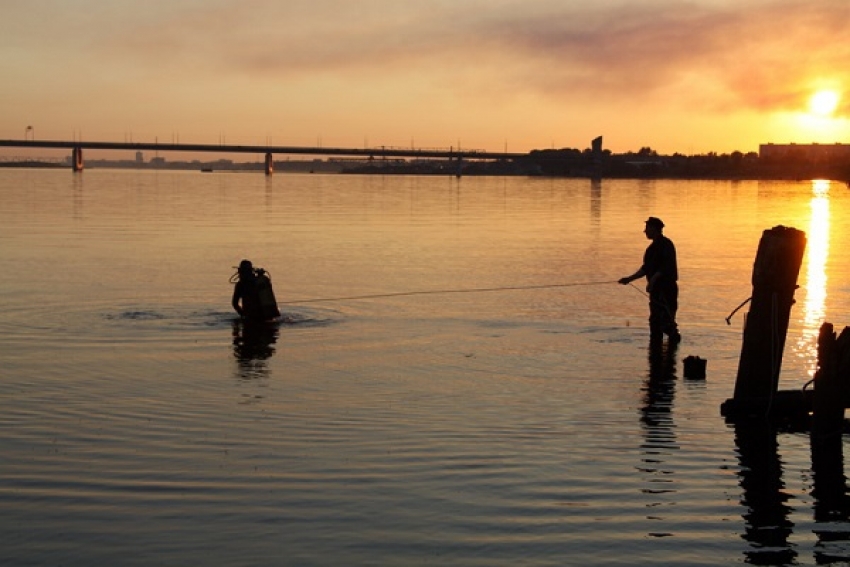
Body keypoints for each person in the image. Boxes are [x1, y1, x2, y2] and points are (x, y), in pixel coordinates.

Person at [618, 217, 681, 344]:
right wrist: (629, 279)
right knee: (655, 324)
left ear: (655, 229)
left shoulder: (666, 245)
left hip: (667, 289)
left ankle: (672, 348)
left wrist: (652, 281)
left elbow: (665, 268)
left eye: (647, 228)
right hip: (655, 291)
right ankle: (656, 354)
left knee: (667, 322)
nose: (644, 231)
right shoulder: (650, 249)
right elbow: (645, 269)